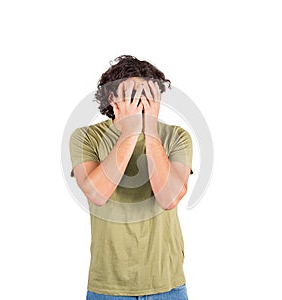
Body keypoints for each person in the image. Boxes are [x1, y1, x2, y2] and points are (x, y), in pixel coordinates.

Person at [69, 55, 193, 299]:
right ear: (112, 98)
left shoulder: (176, 137)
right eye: (132, 94)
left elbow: (169, 198)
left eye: (148, 94)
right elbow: (97, 193)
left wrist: (150, 131)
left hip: (167, 286)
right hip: (108, 288)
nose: (141, 101)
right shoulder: (85, 137)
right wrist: (131, 131)